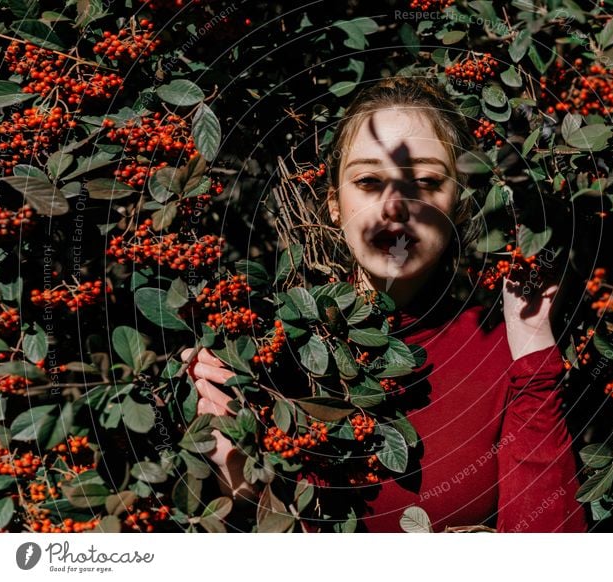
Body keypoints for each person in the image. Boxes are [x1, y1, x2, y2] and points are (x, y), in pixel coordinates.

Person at [182, 77, 588, 532]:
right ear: (334, 204)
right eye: (370, 181)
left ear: (458, 205)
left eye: (427, 181)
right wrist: (241, 477)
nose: (395, 206)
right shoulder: (267, 349)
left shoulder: (500, 348)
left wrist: (533, 349)